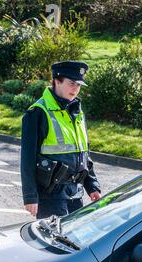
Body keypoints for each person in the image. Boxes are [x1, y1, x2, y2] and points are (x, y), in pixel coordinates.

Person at [20, 61, 101, 219]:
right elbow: (27, 159)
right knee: (53, 242)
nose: (76, 89)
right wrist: (30, 196)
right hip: (50, 196)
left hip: (75, 194)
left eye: (78, 85)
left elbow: (83, 153)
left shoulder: (77, 111)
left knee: (77, 240)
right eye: (71, 83)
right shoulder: (37, 112)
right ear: (57, 81)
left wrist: (92, 186)